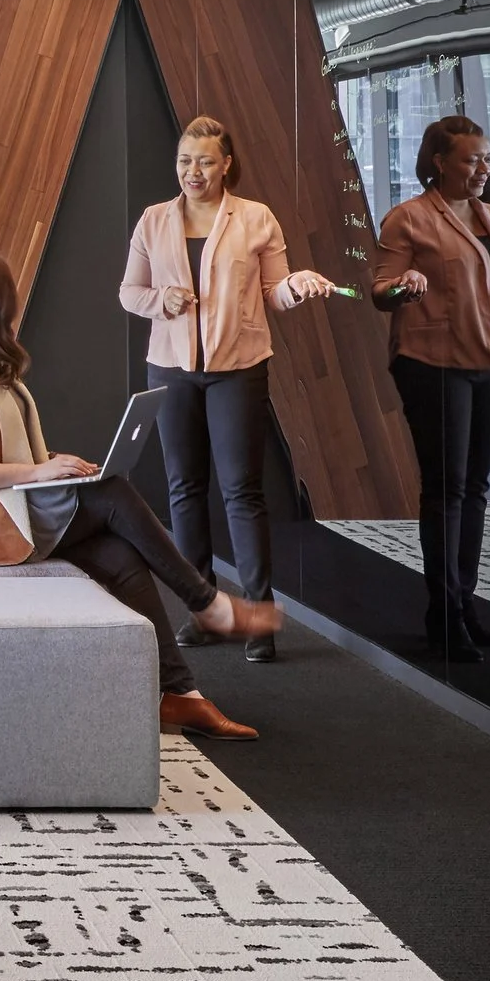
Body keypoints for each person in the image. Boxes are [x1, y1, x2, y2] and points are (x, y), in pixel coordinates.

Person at [0, 251, 279, 739]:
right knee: (113, 494)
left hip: (9, 507)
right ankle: (206, 603)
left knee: (122, 554)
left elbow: (3, 448)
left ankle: (179, 696)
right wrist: (43, 473)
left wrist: (60, 468)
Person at [119, 116, 335, 663]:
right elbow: (129, 292)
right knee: (184, 491)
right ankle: (206, 614)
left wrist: (297, 286)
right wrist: (158, 301)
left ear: (226, 165)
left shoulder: (256, 218)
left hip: (238, 368)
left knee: (243, 492)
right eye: (185, 161)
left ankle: (258, 618)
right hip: (170, 368)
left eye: (206, 161)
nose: (194, 171)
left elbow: (275, 293)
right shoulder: (153, 220)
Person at [374, 115, 490, 661]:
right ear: (439, 163)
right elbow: (379, 292)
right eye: (472, 159)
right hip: (432, 364)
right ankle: (443, 616)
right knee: (446, 490)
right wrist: (404, 286)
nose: (484, 167)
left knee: (476, 488)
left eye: (487, 157)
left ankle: (465, 606)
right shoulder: (408, 219)